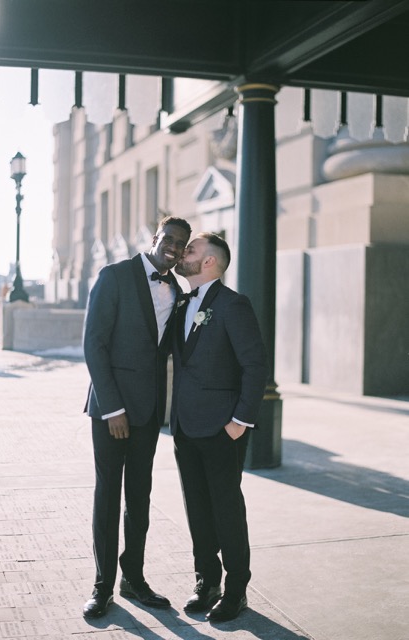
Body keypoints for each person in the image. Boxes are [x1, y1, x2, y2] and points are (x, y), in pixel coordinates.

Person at [82, 215, 191, 618]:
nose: (174, 247)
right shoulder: (114, 276)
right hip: (110, 410)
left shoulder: (177, 289)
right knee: (108, 496)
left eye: (181, 244)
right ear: (154, 238)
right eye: (169, 239)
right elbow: (94, 344)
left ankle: (134, 578)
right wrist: (113, 408)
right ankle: (101, 586)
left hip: (148, 413)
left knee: (140, 499)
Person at [170, 232, 269, 623]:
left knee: (226, 510)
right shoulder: (180, 304)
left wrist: (240, 422)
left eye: (190, 249)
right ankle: (207, 581)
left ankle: (236, 590)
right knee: (196, 508)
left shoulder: (233, 305)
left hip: (222, 429)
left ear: (209, 261)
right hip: (185, 427)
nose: (183, 253)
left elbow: (255, 365)